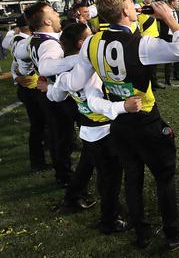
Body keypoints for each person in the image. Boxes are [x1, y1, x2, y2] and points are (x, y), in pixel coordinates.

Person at [49, 0, 179, 250]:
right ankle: (172, 233)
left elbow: (76, 81)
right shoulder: (141, 44)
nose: (135, 5)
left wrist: (56, 82)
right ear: (124, 12)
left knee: (132, 176)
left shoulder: (92, 42)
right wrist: (170, 20)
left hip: (119, 122)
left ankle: (141, 232)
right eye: (131, 3)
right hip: (145, 120)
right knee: (164, 177)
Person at [39, 23, 137, 234]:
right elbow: (94, 102)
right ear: (82, 43)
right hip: (103, 130)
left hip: (88, 129)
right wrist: (122, 107)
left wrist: (48, 88)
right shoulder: (88, 71)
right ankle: (110, 219)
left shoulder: (65, 72)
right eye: (90, 35)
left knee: (94, 168)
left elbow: (57, 95)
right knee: (110, 178)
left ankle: (74, 198)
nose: (95, 37)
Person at [13, 2, 80, 187]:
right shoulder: (49, 44)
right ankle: (65, 177)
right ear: (48, 21)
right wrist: (82, 58)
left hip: (47, 93)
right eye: (54, 12)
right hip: (57, 95)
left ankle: (64, 172)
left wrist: (25, 70)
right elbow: (46, 66)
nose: (58, 15)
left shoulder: (32, 39)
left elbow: (20, 54)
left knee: (60, 135)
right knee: (63, 136)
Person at [5, 15, 50, 172]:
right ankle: (38, 161)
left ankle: (44, 153)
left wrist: (15, 76)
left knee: (42, 124)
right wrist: (17, 76)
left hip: (30, 88)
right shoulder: (23, 41)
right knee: (38, 125)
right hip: (31, 89)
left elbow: (14, 64)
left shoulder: (18, 39)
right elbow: (17, 64)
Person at [161, 0, 179, 85]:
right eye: (177, 1)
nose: (178, 3)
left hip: (176, 37)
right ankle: (167, 79)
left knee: (178, 56)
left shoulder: (177, 12)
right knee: (169, 59)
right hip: (168, 37)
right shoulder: (165, 13)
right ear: (172, 3)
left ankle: (177, 75)